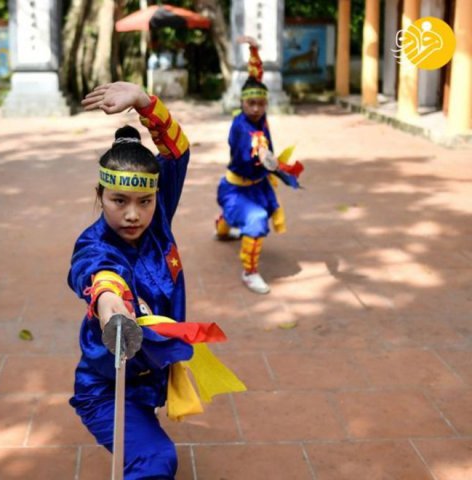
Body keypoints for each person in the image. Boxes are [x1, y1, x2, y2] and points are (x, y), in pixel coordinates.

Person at [68, 82, 192, 479]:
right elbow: (101, 278)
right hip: (106, 386)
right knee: (156, 460)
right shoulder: (94, 244)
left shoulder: (158, 222)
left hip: (147, 380)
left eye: (144, 201)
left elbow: (177, 152)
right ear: (100, 194)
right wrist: (115, 313)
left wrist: (145, 102)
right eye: (118, 200)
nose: (133, 215)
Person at [214, 37, 303, 295]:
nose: (255, 108)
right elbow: (246, 153)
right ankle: (250, 272)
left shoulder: (261, 118)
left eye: (261, 103)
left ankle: (222, 228)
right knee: (256, 219)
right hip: (237, 188)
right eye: (250, 103)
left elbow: (256, 78)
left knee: (237, 218)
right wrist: (262, 156)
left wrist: (254, 50)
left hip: (257, 185)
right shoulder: (240, 126)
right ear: (241, 102)